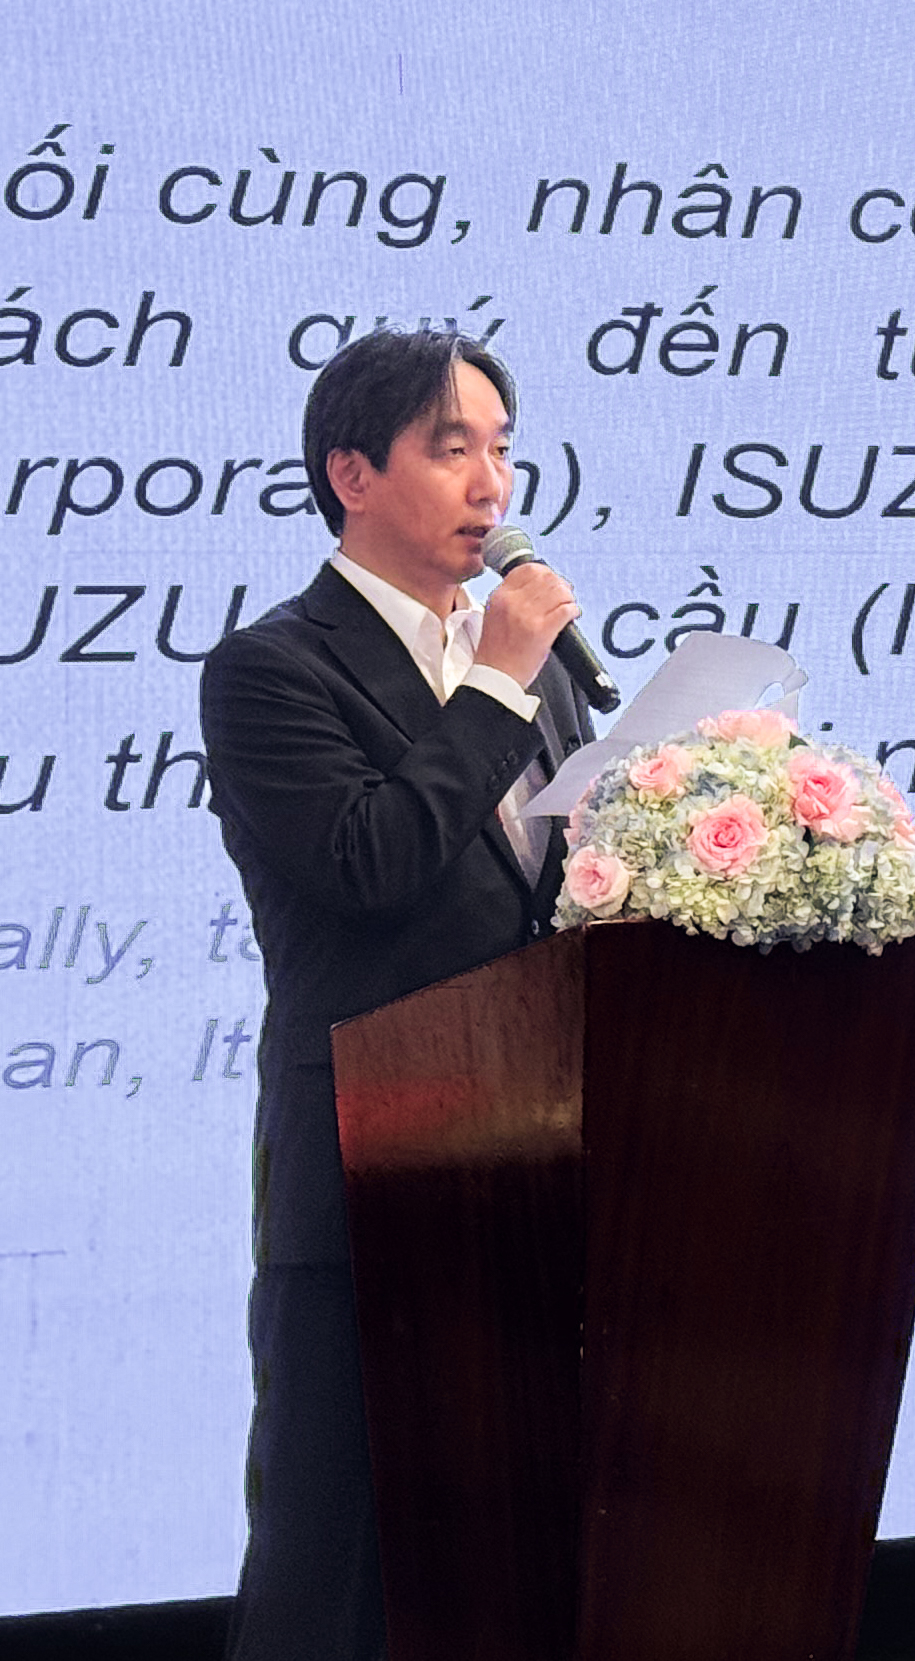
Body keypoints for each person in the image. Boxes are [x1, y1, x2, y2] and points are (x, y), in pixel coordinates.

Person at [199, 329, 594, 1661]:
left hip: (534, 1159)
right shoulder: (273, 669)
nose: (493, 483)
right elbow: (368, 864)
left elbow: (554, 892)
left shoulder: (534, 669)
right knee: (335, 1566)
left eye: (502, 448)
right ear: (353, 473)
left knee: (507, 1556)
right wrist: (497, 681)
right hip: (371, 1166)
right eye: (452, 447)